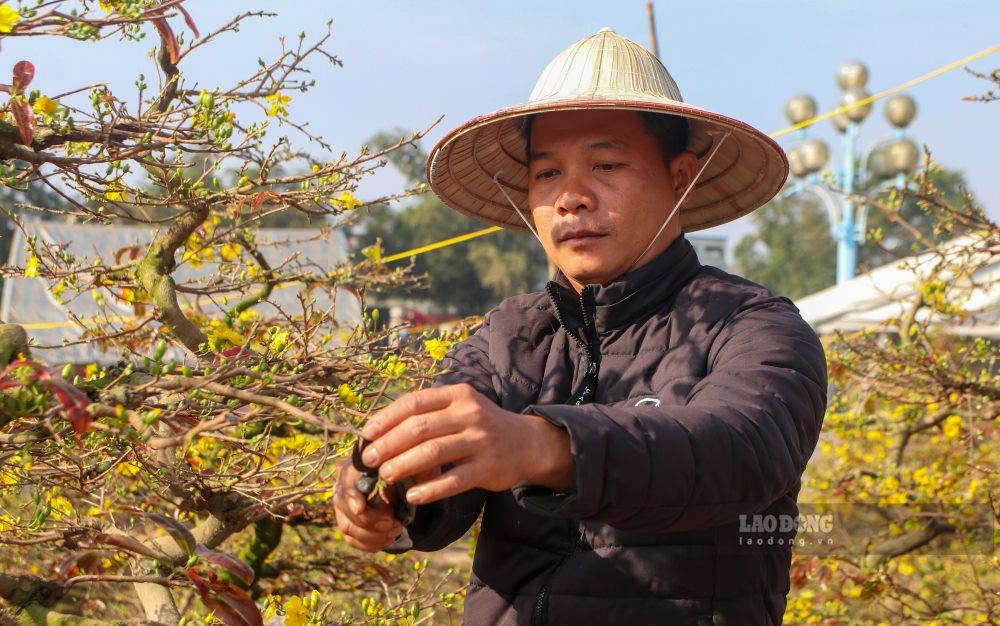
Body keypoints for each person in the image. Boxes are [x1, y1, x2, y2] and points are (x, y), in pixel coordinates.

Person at [334, 28, 827, 625]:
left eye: (606, 163)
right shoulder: (507, 336)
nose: (570, 198)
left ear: (680, 176)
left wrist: (543, 446)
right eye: (546, 175)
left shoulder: (752, 324)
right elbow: (445, 467)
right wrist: (383, 492)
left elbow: (743, 450)